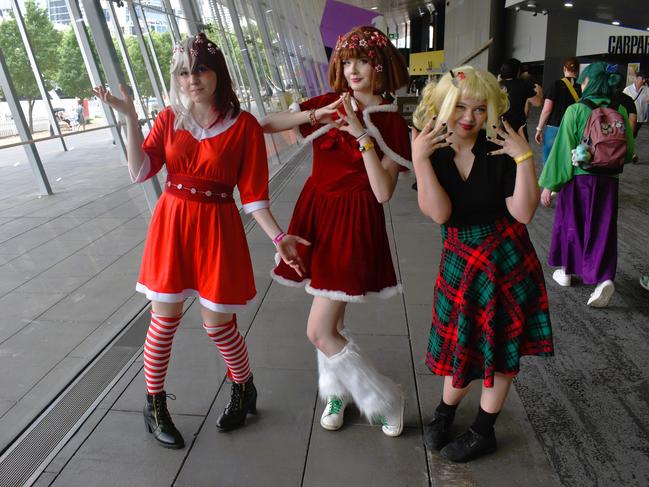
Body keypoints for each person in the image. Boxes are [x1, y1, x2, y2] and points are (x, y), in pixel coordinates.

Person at [92, 33, 307, 449]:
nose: (192, 79)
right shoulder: (169, 118)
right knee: (163, 321)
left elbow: (255, 197)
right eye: (183, 72)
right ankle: (154, 405)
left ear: (217, 73)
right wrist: (130, 119)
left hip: (217, 228)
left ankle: (243, 387)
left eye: (201, 69)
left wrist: (278, 237)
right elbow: (140, 173)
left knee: (218, 326)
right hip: (172, 224)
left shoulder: (243, 126)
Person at [260, 26, 411, 437]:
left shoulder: (393, 123)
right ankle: (336, 392)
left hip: (353, 221)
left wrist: (362, 138)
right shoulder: (329, 103)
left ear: (381, 65)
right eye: (346, 61)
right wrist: (315, 115)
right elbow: (266, 124)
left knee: (318, 330)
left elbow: (383, 193)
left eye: (362, 60)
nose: (353, 70)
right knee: (333, 321)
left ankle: (384, 398)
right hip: (316, 216)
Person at [411, 66, 553, 462]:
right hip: (459, 256)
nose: (469, 118)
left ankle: (484, 429)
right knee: (460, 342)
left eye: (478, 108)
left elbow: (523, 213)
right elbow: (440, 213)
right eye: (460, 108)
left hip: (506, 260)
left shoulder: (499, 145)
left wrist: (524, 158)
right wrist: (419, 160)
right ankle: (445, 413)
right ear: (443, 107)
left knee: (502, 346)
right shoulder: (433, 150)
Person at [539, 62, 635, 307]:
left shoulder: (576, 110)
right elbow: (628, 151)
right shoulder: (620, 110)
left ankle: (568, 272)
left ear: (590, 82)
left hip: (579, 179)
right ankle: (603, 279)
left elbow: (561, 152)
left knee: (572, 224)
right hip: (609, 181)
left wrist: (550, 185)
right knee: (602, 227)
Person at [535, 57, 581, 166]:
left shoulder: (555, 85)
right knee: (568, 162)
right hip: (573, 130)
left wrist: (539, 129)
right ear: (578, 70)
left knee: (549, 162)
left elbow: (547, 110)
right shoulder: (581, 88)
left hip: (554, 129)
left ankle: (549, 182)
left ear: (564, 69)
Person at [499, 58, 543, 140]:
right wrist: (539, 89)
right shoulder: (523, 85)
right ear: (517, 71)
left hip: (499, 128)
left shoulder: (497, 85)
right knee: (521, 152)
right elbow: (538, 102)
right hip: (518, 130)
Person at [623, 70, 648, 138]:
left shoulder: (646, 89)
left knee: (634, 135)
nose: (644, 80)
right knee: (628, 135)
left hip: (640, 118)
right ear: (636, 78)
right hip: (629, 117)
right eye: (642, 78)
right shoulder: (627, 90)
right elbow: (622, 103)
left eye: (645, 79)